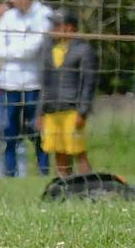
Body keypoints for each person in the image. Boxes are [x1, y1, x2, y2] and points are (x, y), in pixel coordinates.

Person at [0, 0, 53, 177]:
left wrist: (10, 52)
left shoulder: (44, 15)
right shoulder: (9, 17)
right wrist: (15, 52)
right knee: (9, 133)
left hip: (34, 84)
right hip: (9, 84)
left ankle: (43, 171)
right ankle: (10, 173)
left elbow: (35, 47)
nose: (12, 0)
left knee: (37, 132)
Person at [40, 11, 97, 176]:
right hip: (52, 108)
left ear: (69, 27)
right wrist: (40, 112)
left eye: (57, 25)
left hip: (72, 108)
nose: (53, 29)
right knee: (59, 151)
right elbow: (44, 82)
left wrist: (83, 111)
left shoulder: (83, 50)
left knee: (78, 150)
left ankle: (87, 182)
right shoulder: (50, 50)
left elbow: (89, 82)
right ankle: (64, 186)